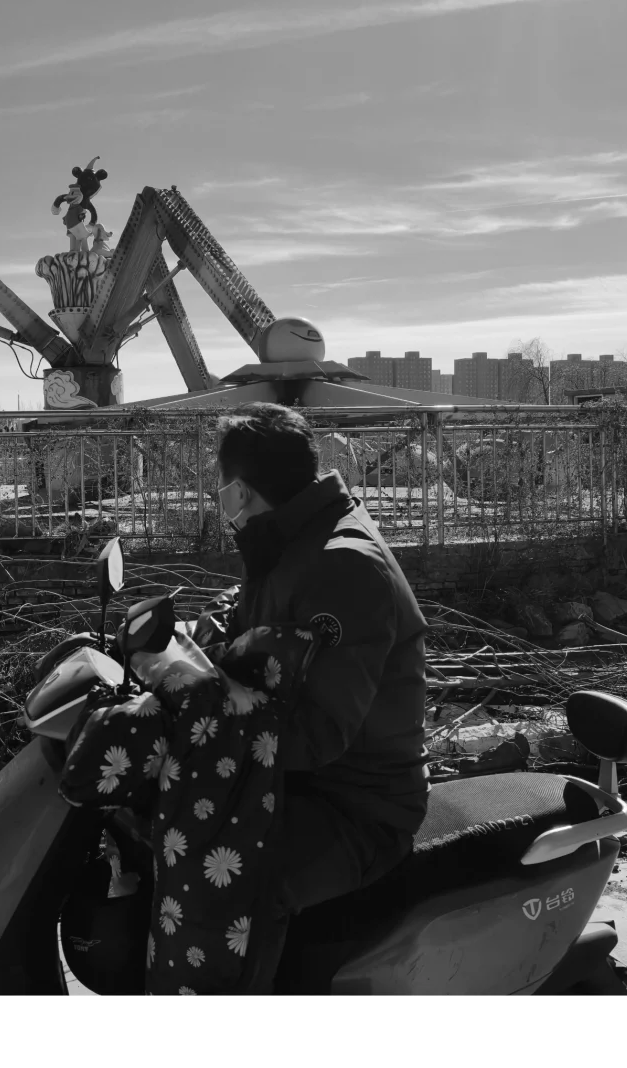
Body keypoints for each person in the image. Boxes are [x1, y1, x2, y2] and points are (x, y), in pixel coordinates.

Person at [211, 403, 429, 992]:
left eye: (222, 491)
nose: (222, 506)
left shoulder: (342, 566)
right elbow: (255, 621)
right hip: (299, 781)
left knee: (228, 874)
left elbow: (319, 732)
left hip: (356, 802)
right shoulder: (288, 539)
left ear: (241, 491)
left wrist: (205, 724)